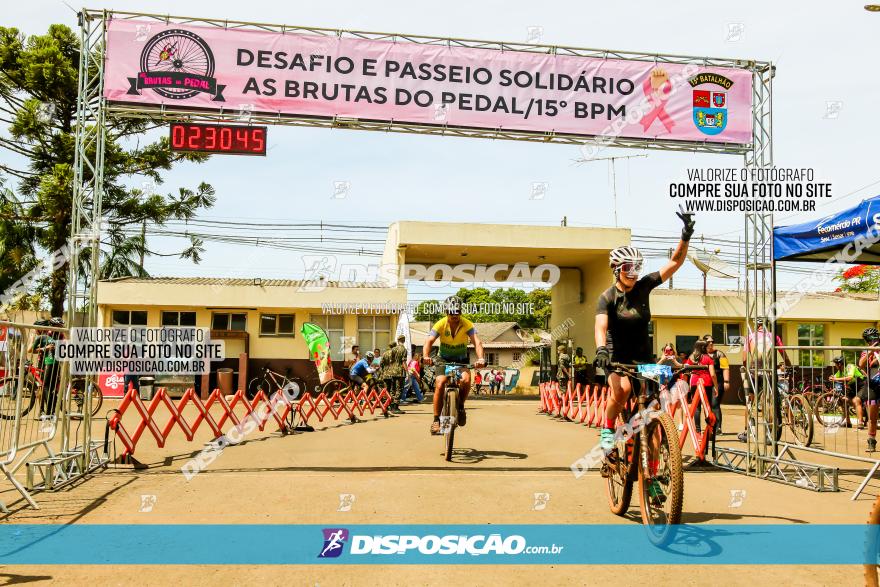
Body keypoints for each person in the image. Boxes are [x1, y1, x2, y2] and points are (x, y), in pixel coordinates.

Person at [593, 208, 695, 490]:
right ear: (616, 269)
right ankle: (606, 435)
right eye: (628, 268)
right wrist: (601, 350)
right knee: (622, 391)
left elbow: (675, 262)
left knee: (651, 421)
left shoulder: (644, 286)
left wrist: (685, 236)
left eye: (637, 267)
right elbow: (600, 327)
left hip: (643, 358)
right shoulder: (607, 298)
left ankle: (649, 477)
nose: (634, 273)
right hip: (616, 356)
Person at [422, 295, 486, 435]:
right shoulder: (440, 324)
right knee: (440, 383)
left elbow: (477, 342)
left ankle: (460, 407)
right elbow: (428, 341)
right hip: (443, 359)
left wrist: (481, 358)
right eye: (451, 312)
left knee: (466, 380)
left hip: (461, 359)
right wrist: (426, 356)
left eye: (457, 312)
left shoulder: (467, 324)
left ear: (460, 312)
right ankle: (437, 421)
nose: (454, 315)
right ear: (446, 312)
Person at [738, 317, 792, 443]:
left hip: (753, 372)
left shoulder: (750, 337)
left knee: (750, 401)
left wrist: (747, 368)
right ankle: (770, 434)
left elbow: (745, 358)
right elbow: (783, 353)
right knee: (771, 401)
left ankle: (748, 432)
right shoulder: (773, 336)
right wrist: (788, 364)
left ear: (757, 326)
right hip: (769, 372)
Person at [685, 339, 719, 467]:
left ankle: (698, 430)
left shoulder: (692, 357)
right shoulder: (708, 358)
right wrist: (716, 386)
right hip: (706, 383)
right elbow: (713, 374)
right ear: (705, 348)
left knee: (696, 407)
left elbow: (686, 369)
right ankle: (708, 429)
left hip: (694, 382)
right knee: (708, 407)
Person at [33, 317, 64, 417]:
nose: (60, 328)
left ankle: (50, 411)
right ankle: (43, 410)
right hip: (43, 361)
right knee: (42, 387)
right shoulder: (47, 334)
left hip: (51, 362)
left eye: (61, 326)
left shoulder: (60, 334)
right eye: (58, 326)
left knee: (49, 387)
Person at [858, 327, 880, 451]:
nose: (873, 340)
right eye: (870, 339)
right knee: (872, 417)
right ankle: (871, 441)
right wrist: (872, 351)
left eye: (875, 337)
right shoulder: (867, 351)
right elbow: (861, 364)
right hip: (873, 385)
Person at [703, 334, 729, 435]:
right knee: (707, 405)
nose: (711, 344)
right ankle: (710, 426)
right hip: (705, 383)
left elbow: (725, 367)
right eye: (709, 342)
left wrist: (726, 381)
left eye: (712, 342)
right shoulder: (701, 354)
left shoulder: (720, 354)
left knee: (715, 404)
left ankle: (718, 427)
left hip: (717, 382)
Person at [829, 355, 863, 428]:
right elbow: (835, 377)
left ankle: (860, 422)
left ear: (839, 364)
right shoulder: (840, 371)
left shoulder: (849, 367)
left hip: (861, 385)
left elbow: (849, 378)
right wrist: (832, 378)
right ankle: (848, 422)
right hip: (853, 387)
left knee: (856, 401)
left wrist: (835, 379)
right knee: (843, 400)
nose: (835, 366)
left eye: (835, 364)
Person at [379, 342, 403, 414]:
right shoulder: (396, 353)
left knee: (386, 390)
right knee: (395, 389)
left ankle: (385, 406)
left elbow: (381, 364)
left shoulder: (385, 353)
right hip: (394, 374)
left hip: (385, 374)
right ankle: (393, 406)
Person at [389, 335, 408, 411]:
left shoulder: (393, 349)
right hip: (400, 372)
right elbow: (403, 361)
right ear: (404, 340)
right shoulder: (404, 350)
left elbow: (391, 361)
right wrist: (407, 371)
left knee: (393, 388)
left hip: (393, 371)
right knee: (399, 388)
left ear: (398, 340)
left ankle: (391, 404)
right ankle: (396, 406)